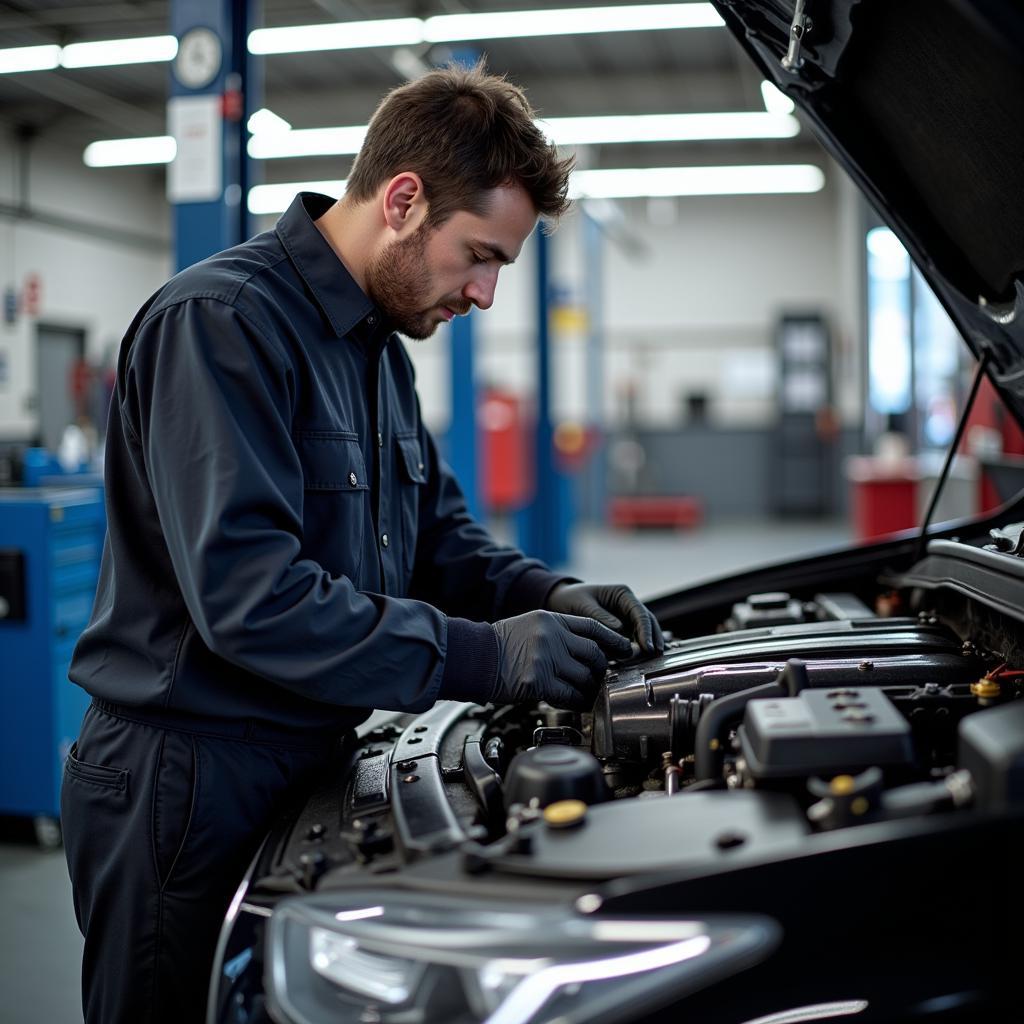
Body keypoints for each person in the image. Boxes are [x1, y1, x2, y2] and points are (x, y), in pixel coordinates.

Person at [61, 62, 664, 1024]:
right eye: (479, 255)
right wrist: (487, 655)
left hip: (303, 753)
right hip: (184, 782)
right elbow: (250, 599)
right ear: (403, 199)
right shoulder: (222, 325)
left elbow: (438, 540)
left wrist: (545, 595)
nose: (485, 293)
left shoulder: (378, 349)